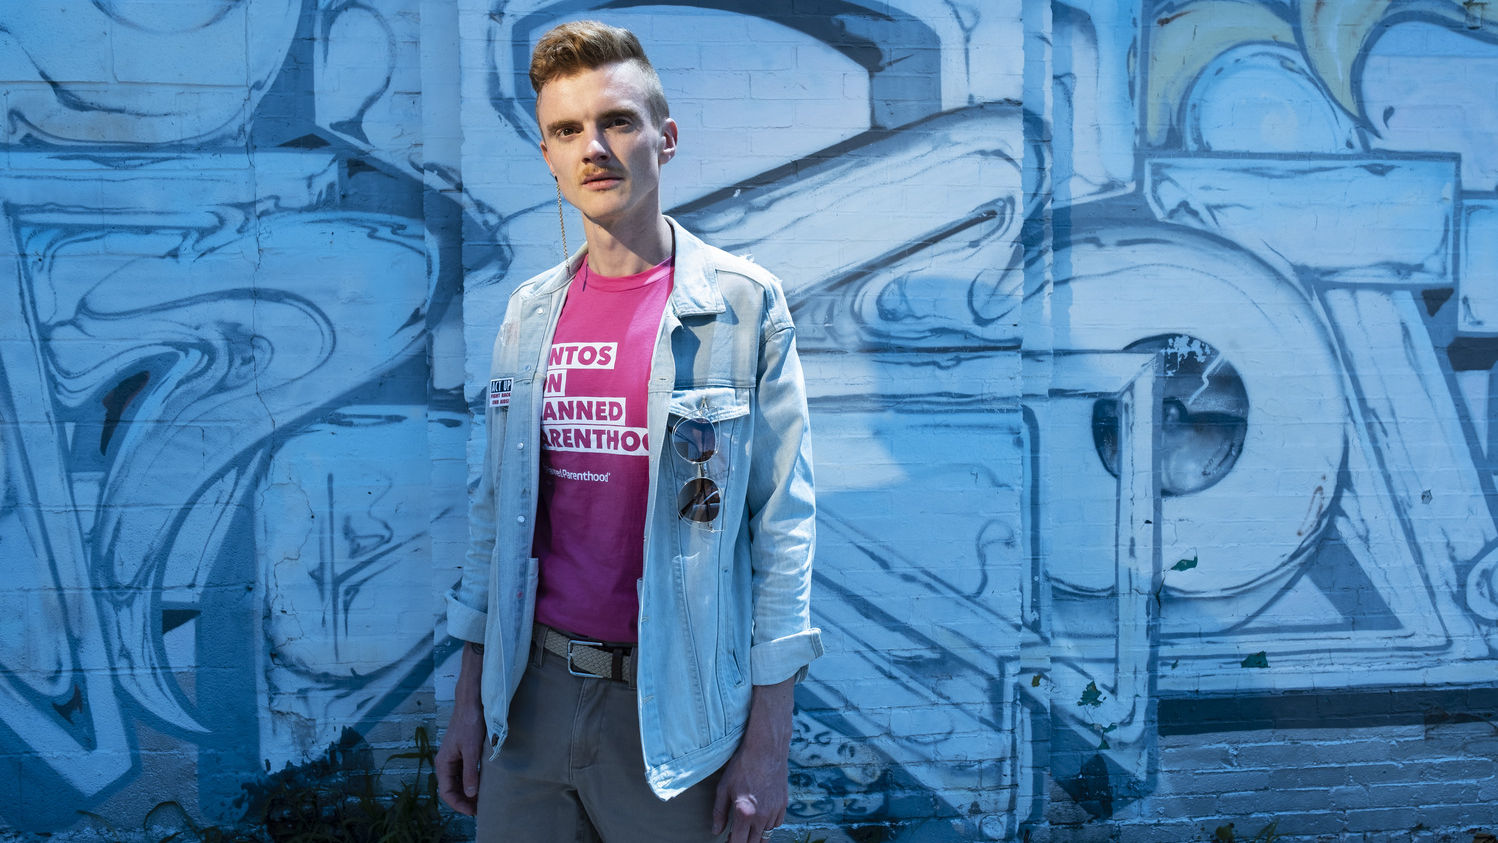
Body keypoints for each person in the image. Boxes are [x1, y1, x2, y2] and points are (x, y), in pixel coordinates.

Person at [436, 20, 822, 843]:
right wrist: (469, 701)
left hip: (673, 720)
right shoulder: (529, 315)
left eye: (616, 122)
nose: (593, 148)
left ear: (665, 138)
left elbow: (782, 530)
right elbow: (495, 517)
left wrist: (768, 745)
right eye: (566, 130)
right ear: (547, 155)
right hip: (527, 706)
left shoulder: (742, 307)